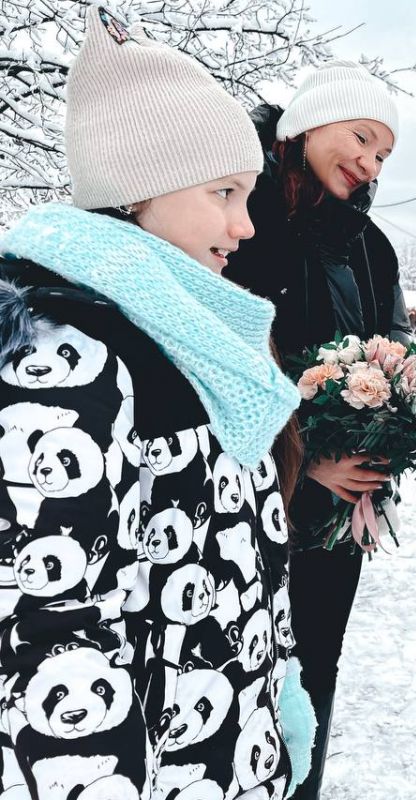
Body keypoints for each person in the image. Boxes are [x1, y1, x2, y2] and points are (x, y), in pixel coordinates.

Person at [0, 7, 313, 798]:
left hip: (222, 747)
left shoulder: (189, 333)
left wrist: (279, 690)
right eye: (224, 193)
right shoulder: (63, 363)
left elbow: (239, 540)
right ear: (138, 189)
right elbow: (51, 628)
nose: (245, 226)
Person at [222, 59, 413, 799]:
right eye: (361, 138)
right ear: (305, 124)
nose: (368, 162)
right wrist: (307, 457)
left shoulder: (371, 246)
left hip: (334, 518)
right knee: (238, 660)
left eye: (383, 155)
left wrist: (390, 428)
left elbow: (396, 347)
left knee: (314, 666)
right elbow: (222, 363)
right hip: (246, 496)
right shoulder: (239, 214)